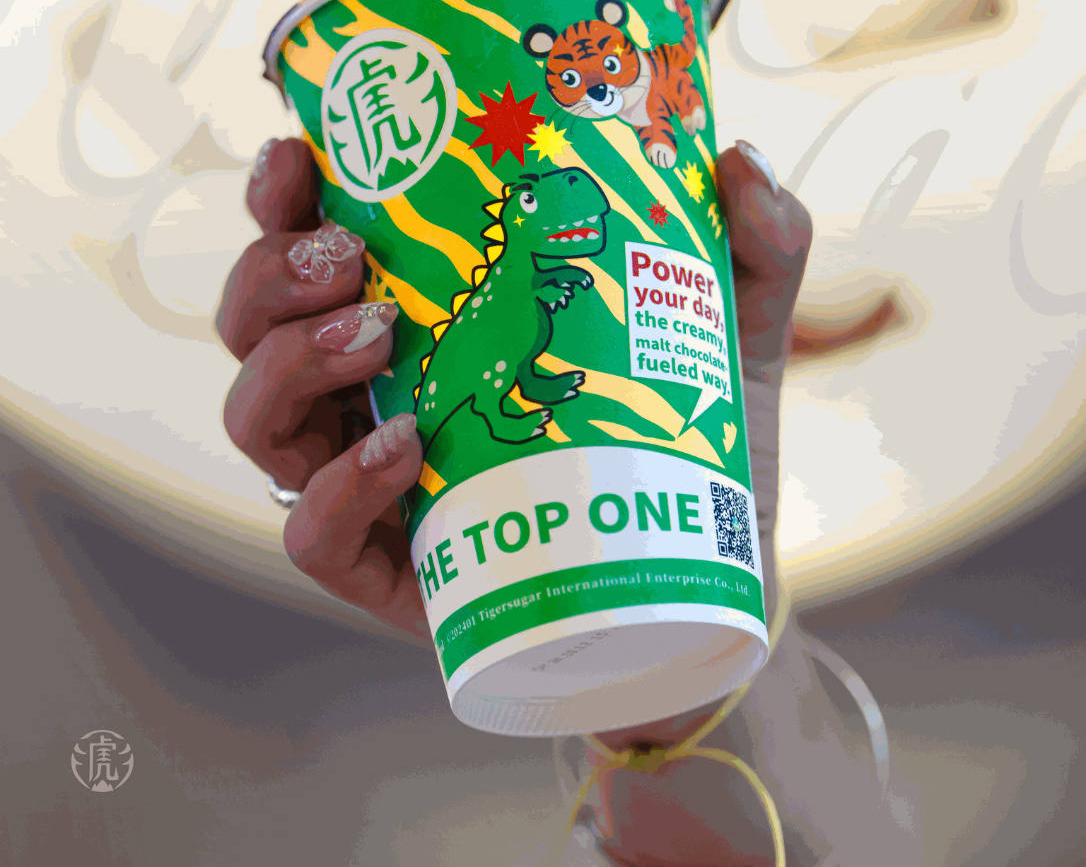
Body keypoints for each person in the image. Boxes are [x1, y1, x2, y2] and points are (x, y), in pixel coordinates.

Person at [215, 138, 913, 865]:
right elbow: (488, 364)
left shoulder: (535, 269)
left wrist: (671, 686)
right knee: (502, 368)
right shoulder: (509, 286)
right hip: (468, 417)